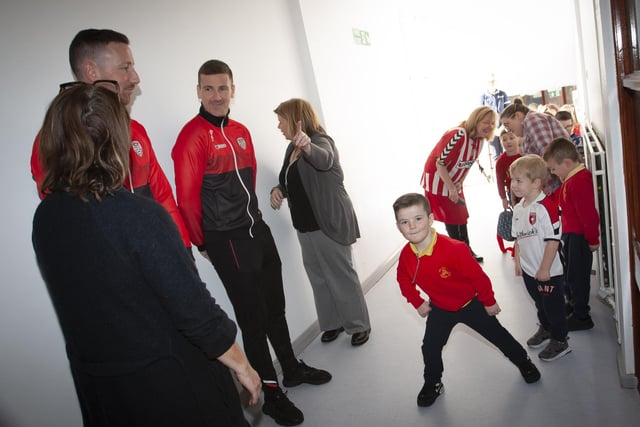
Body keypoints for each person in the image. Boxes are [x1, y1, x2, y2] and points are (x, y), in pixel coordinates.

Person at [31, 83, 261, 426]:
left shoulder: (47, 218)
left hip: (104, 390)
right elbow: (196, 314)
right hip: (169, 387)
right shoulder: (139, 216)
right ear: (116, 142)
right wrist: (243, 365)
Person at [172, 60, 331, 427]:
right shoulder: (191, 137)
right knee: (253, 320)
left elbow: (250, 181)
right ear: (198, 91)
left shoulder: (241, 130)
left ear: (232, 90)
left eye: (222, 88)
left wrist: (254, 223)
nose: (216, 95)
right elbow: (186, 201)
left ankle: (290, 368)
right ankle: (271, 395)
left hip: (257, 231)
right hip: (226, 239)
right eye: (208, 88)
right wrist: (202, 243)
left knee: (276, 308)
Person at [29, 28, 191, 249]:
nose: (135, 78)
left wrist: (183, 249)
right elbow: (63, 218)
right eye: (125, 68)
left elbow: (163, 197)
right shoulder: (56, 140)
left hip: (158, 259)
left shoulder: (137, 131)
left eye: (132, 67)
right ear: (91, 71)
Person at [392, 193, 540, 408]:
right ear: (398, 226)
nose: (412, 226)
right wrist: (417, 301)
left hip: (471, 305)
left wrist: (488, 301)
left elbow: (478, 277)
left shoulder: (454, 248)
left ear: (431, 219)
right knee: (430, 348)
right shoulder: (407, 255)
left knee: (499, 336)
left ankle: (523, 362)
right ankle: (433, 383)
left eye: (418, 219)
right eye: (404, 222)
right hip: (440, 309)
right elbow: (403, 279)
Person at [270, 98, 371, 346]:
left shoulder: (320, 141)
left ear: (294, 119)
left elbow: (324, 160)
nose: (278, 126)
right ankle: (332, 324)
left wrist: (307, 147)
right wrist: (278, 188)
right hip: (305, 227)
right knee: (319, 277)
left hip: (327, 223)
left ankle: (358, 325)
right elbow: (291, 178)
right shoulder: (290, 148)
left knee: (340, 275)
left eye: (281, 120)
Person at [509, 155, 571, 361]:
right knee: (540, 303)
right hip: (529, 270)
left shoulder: (546, 208)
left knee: (554, 306)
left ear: (536, 182)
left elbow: (554, 241)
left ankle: (560, 340)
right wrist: (518, 261)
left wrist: (544, 269)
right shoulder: (518, 209)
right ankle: (546, 328)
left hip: (548, 271)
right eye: (512, 180)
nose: (513, 185)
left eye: (519, 181)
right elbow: (518, 238)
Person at [420, 106, 498, 263]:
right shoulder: (457, 134)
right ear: (475, 120)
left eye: (492, 123)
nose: (489, 126)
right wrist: (450, 188)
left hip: (454, 182)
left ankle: (465, 250)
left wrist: (460, 183)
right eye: (485, 122)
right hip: (439, 181)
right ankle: (461, 255)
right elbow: (439, 163)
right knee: (453, 218)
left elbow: (467, 164)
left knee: (461, 217)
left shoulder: (480, 141)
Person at [543, 138, 600, 331]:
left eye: (553, 169)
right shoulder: (570, 179)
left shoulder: (580, 181)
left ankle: (582, 316)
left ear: (566, 163)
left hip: (579, 238)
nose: (553, 173)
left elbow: (588, 215)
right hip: (570, 235)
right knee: (569, 274)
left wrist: (593, 239)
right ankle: (574, 304)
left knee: (577, 278)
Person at [499, 98, 570, 195]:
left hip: (558, 180)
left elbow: (548, 152)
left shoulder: (531, 120)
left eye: (507, 125)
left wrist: (547, 187)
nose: (508, 130)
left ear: (518, 116)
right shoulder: (529, 124)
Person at [480, 74, 510, 162]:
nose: (492, 84)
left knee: (507, 151)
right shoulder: (483, 97)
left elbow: (508, 112)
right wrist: (493, 130)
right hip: (491, 130)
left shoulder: (503, 94)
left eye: (494, 81)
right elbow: (480, 116)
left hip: (503, 128)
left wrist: (502, 128)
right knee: (496, 154)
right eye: (490, 82)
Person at [495, 128, 522, 210]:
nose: (508, 142)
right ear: (501, 142)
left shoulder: (524, 154)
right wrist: (503, 198)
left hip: (529, 189)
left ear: (518, 138)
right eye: (504, 140)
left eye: (511, 138)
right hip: (513, 193)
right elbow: (500, 181)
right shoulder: (500, 162)